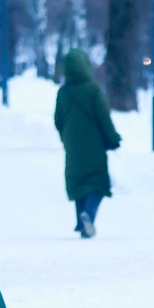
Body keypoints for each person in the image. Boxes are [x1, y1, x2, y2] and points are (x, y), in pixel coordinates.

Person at [55, 49, 122, 238]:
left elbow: (58, 120)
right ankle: (88, 215)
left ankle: (81, 221)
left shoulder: (63, 93)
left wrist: (66, 138)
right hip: (94, 144)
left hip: (72, 144)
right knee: (97, 181)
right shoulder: (93, 90)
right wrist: (113, 138)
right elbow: (103, 117)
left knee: (78, 181)